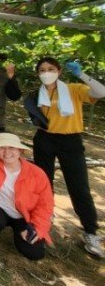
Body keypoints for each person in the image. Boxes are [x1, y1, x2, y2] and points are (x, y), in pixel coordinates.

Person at [25, 57, 105, 258]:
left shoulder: (74, 89)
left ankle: (90, 231)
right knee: (43, 182)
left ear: (59, 71)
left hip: (70, 141)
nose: (46, 72)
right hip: (45, 139)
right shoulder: (37, 94)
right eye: (42, 70)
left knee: (79, 186)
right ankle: (44, 218)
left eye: (50, 69)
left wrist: (81, 74)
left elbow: (101, 92)